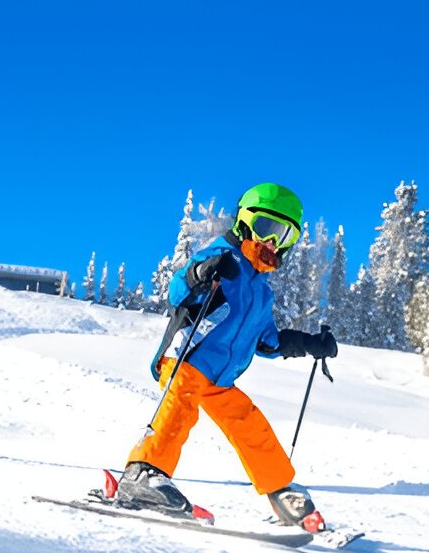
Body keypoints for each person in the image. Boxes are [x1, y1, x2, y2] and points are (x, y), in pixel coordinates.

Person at [115, 182, 338, 532]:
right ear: (244, 224)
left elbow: (267, 342)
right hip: (187, 359)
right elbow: (177, 292)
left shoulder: (262, 293)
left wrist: (309, 343)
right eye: (266, 229)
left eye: (285, 236)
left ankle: (281, 491)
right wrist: (199, 275)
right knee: (181, 407)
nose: (272, 243)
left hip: (220, 379)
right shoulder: (220, 258)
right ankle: (143, 473)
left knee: (249, 422)